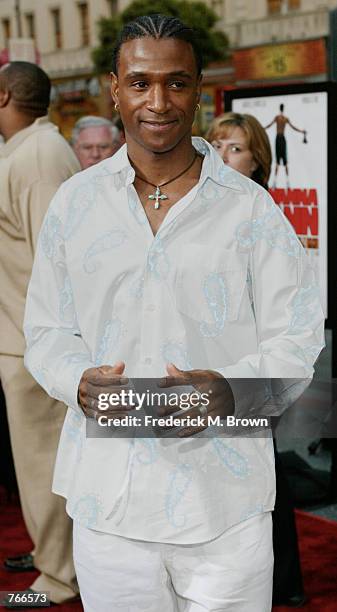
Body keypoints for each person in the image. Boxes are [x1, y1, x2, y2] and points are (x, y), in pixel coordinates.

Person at [23, 15, 324, 612]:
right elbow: (46, 329)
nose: (157, 102)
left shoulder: (250, 209)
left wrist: (233, 391)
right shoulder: (75, 204)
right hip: (108, 496)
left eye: (176, 83)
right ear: (114, 87)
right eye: (139, 83)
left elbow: (298, 336)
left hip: (225, 496)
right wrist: (73, 379)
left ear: (197, 90)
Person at [207, 111, 307, 608]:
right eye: (217, 144)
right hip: (215, 369)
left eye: (235, 148)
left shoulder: (259, 209)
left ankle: (281, 582)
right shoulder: (206, 206)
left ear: (257, 161)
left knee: (263, 474)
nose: (224, 155)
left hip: (252, 369)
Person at [0, 61, 80, 606]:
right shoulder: (28, 150)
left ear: (4, 95)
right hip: (21, 338)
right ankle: (53, 562)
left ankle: (57, 579)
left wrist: (49, 351)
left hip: (35, 345)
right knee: (35, 467)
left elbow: (60, 264)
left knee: (44, 464)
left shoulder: (40, 155)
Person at [264, 104, 307, 187]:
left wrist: (262, 128)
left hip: (278, 139)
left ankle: (276, 182)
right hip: (282, 139)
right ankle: (285, 182)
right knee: (284, 161)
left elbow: (269, 125)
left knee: (278, 161)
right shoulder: (285, 119)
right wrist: (301, 131)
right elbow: (293, 127)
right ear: (283, 109)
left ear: (279, 108)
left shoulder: (277, 118)